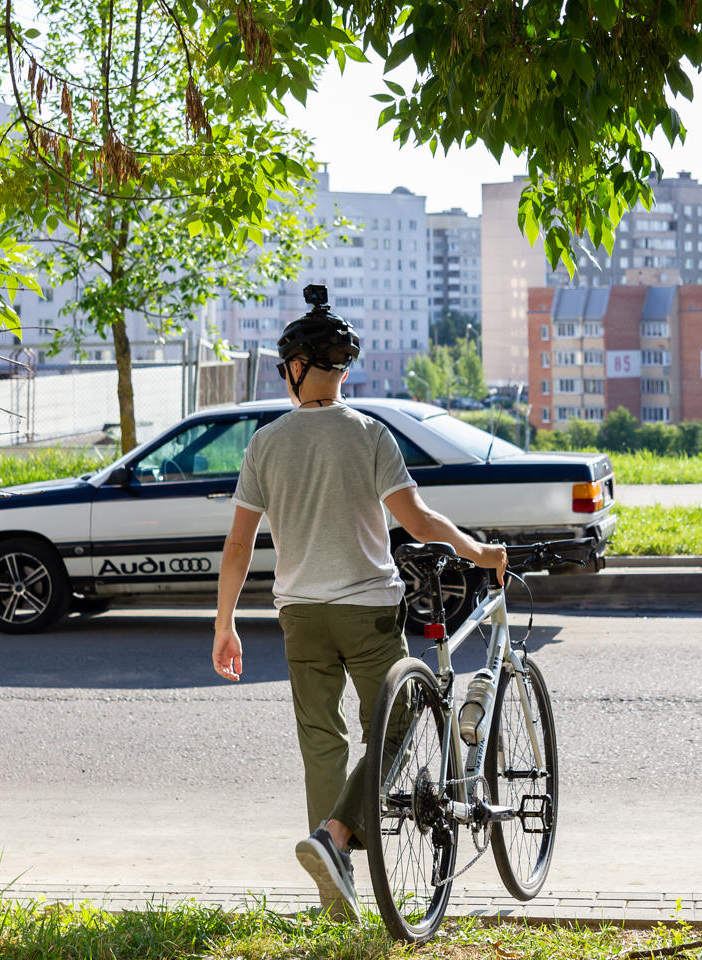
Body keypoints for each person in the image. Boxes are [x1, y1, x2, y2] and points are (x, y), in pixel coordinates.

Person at [211, 284, 507, 919]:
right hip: (368, 610)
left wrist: (225, 624)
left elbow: (238, 546)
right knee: (398, 724)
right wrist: (478, 552)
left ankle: (332, 871)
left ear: (296, 368)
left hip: (299, 614)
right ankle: (338, 840)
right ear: (342, 367)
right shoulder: (370, 436)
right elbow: (420, 522)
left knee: (322, 741)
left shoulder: (266, 442)